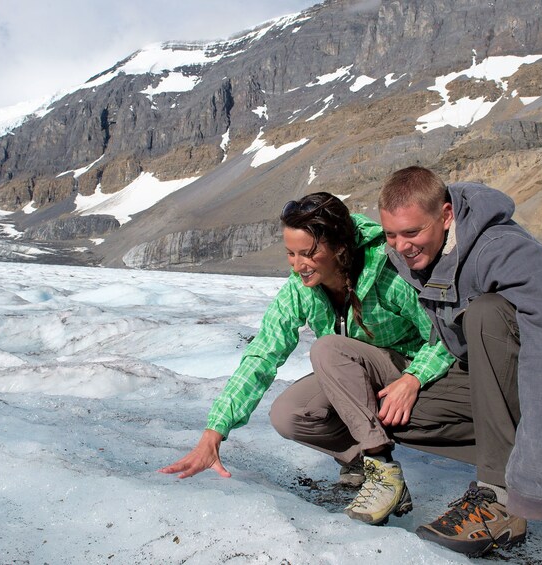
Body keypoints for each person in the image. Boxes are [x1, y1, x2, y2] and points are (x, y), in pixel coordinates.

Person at [377, 166, 542, 557]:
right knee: (392, 415)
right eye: (391, 235)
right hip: (508, 358)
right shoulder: (417, 253)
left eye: (412, 233)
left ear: (446, 216)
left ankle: (498, 500)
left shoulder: (499, 249)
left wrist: (530, 485)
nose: (401, 245)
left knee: (487, 313)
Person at [160, 191, 457, 526]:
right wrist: (215, 431)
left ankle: (383, 471)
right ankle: (362, 460)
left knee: (327, 348)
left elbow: (442, 335)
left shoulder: (388, 274)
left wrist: (413, 377)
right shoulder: (300, 289)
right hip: (355, 374)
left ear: (339, 248)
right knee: (289, 414)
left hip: (409, 374)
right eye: (290, 253)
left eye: (309, 253)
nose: (298, 264)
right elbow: (262, 354)